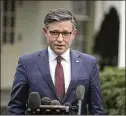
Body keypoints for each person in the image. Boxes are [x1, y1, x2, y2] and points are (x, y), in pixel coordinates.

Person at [8, 8, 104, 115]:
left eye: (65, 33)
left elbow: (97, 109)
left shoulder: (89, 63)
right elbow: (16, 107)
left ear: (74, 34)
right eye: (54, 33)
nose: (60, 39)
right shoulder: (27, 63)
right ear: (45, 32)